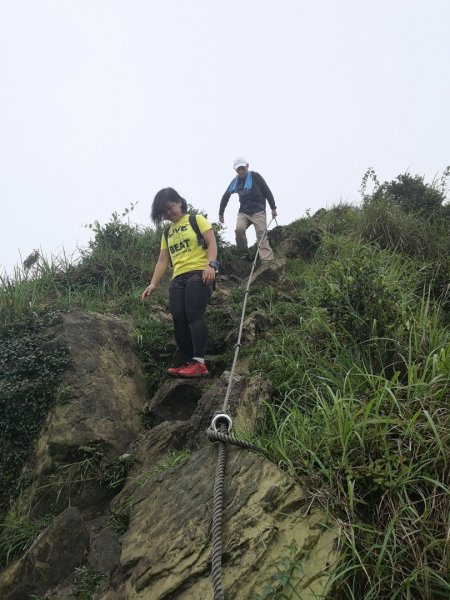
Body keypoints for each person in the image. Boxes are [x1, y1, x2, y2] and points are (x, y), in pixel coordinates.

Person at [141, 188, 219, 378]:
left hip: (198, 272)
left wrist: (211, 265)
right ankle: (187, 362)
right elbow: (163, 260)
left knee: (194, 314)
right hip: (178, 278)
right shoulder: (167, 232)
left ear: (179, 202)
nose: (168, 213)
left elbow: (211, 243)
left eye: (170, 207)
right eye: (164, 212)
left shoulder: (196, 220)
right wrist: (152, 284)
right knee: (178, 318)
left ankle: (199, 362)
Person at [219, 157, 277, 262]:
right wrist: (221, 213)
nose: (241, 171)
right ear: (235, 170)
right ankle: (244, 254)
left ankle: (267, 261)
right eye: (238, 169)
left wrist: (273, 208)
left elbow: (267, 191)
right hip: (244, 212)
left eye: (242, 168)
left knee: (261, 234)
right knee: (239, 229)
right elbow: (226, 196)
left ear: (247, 166)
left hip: (258, 211)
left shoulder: (255, 176)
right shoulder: (235, 182)